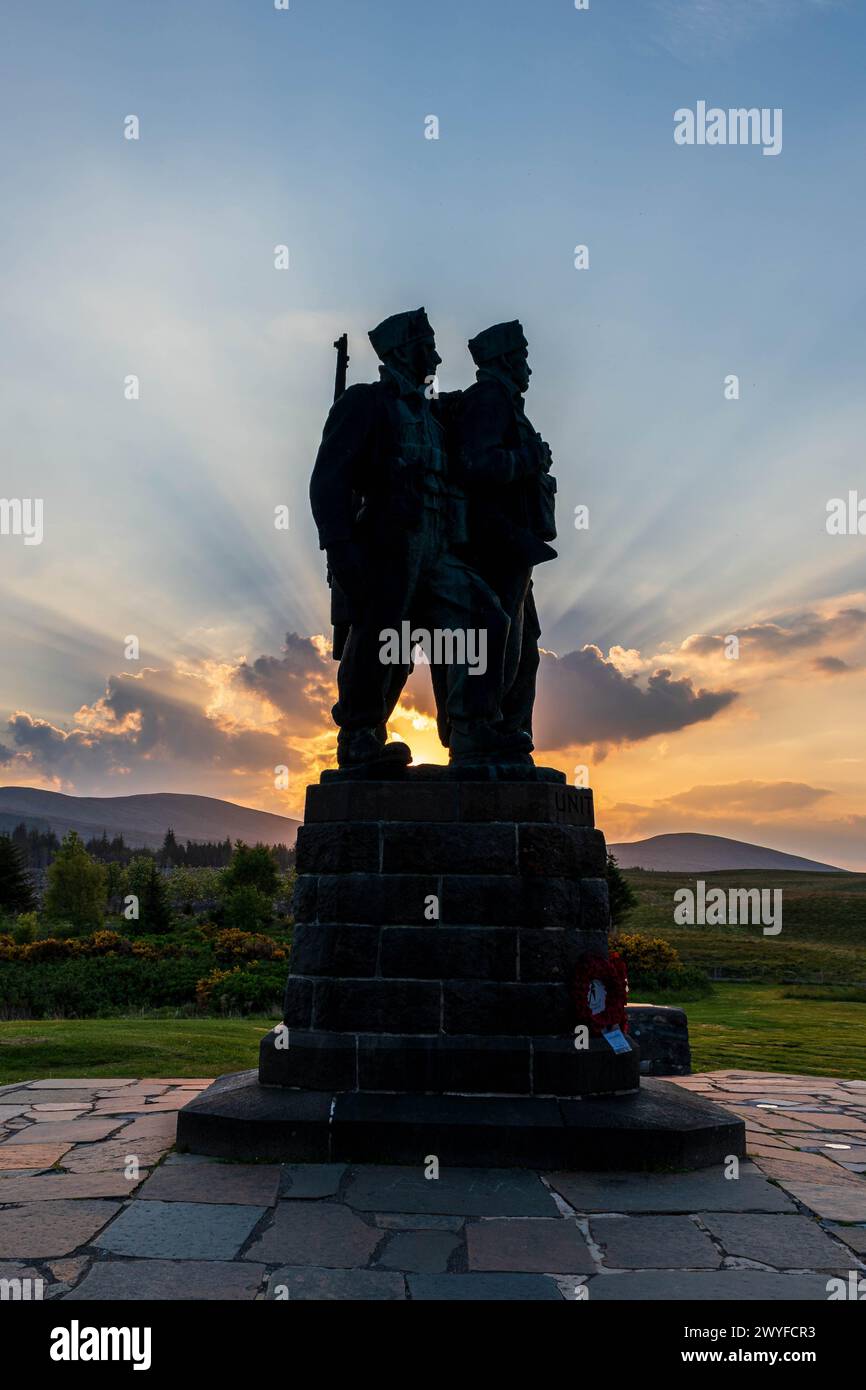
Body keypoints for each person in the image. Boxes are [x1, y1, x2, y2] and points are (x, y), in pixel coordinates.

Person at [310, 307, 515, 769]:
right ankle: (360, 736)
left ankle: (473, 726)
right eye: (429, 347)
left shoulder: (435, 415)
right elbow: (329, 481)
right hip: (389, 544)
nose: (438, 358)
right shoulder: (366, 403)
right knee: (383, 636)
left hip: (439, 545)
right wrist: (340, 548)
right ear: (405, 351)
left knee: (487, 616)